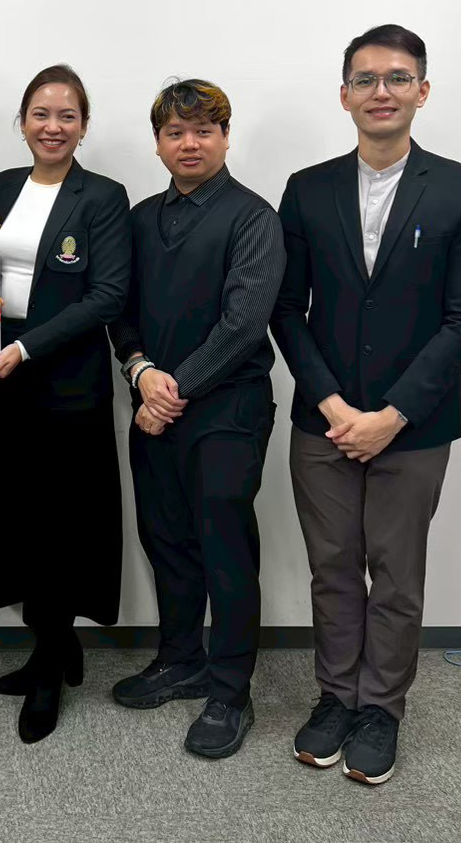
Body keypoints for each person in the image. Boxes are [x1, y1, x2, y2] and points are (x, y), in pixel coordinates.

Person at [271, 24, 461, 785]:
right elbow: (286, 309)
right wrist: (334, 406)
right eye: (365, 79)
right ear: (343, 95)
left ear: (422, 92)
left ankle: (381, 710)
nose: (381, 92)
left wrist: (392, 415)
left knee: (395, 574)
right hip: (323, 420)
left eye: (397, 78)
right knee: (332, 567)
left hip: (415, 424)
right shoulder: (306, 189)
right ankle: (336, 697)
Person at [109, 79, 284, 760]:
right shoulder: (139, 219)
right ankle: (180, 660)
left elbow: (243, 325)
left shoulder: (252, 217)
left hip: (227, 410)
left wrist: (169, 392)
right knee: (166, 540)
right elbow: (119, 310)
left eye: (204, 130)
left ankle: (230, 691)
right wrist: (139, 372)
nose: (190, 143)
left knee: (223, 547)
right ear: (157, 143)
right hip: (154, 402)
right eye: (175, 132)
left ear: (225, 137)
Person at [0, 65, 130, 744]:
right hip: (6, 383)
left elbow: (108, 295)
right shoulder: (2, 186)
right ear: (23, 122)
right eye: (40, 113)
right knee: (18, 520)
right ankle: (55, 648)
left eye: (67, 115)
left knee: (61, 526)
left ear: (83, 126)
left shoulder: (103, 196)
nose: (52, 126)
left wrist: (25, 346)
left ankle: (47, 668)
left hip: (66, 387)